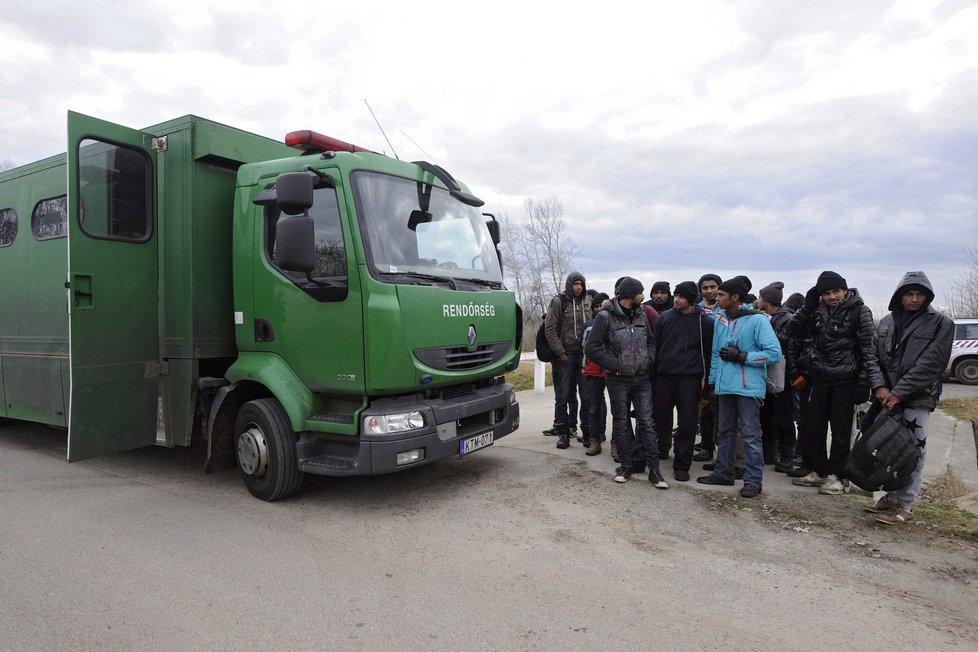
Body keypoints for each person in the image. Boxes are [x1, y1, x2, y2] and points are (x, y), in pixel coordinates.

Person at [864, 272, 953, 524]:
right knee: (889, 449)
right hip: (886, 398)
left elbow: (931, 363)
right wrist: (879, 386)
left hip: (916, 398)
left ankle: (905, 504)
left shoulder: (940, 323)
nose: (914, 299)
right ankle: (891, 497)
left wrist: (899, 392)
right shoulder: (887, 322)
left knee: (914, 451)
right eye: (909, 294)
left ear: (927, 296)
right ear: (900, 296)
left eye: (919, 294)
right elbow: (872, 357)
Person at [787, 271, 883, 495]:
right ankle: (819, 471)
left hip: (846, 380)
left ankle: (838, 476)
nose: (832, 297)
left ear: (845, 290)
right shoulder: (816, 312)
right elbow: (792, 332)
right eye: (827, 293)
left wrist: (864, 382)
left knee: (840, 432)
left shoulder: (859, 310)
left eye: (836, 291)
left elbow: (869, 347)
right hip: (820, 379)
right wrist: (808, 307)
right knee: (814, 428)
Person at [696, 275, 781, 498]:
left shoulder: (758, 320)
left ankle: (753, 481)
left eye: (722, 294)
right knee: (724, 431)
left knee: (750, 434)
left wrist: (744, 357)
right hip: (724, 387)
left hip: (747, 388)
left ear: (735, 297)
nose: (717, 297)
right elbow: (715, 354)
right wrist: (712, 383)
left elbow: (774, 353)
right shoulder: (721, 319)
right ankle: (723, 472)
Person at [586, 277, 668, 488]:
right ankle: (625, 466)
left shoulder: (641, 314)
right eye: (641, 293)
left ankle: (655, 471)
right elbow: (592, 347)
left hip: (642, 379)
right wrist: (615, 364)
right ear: (630, 296)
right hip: (617, 380)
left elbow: (651, 340)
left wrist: (649, 359)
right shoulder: (605, 317)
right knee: (621, 423)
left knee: (647, 423)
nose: (644, 296)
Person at [653, 281, 712, 481]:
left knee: (687, 423)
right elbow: (656, 346)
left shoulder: (705, 322)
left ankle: (682, 464)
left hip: (690, 379)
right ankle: (656, 452)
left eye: (682, 296)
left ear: (691, 299)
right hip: (664, 377)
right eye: (676, 295)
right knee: (659, 419)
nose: (677, 299)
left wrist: (707, 383)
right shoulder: (665, 318)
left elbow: (709, 354)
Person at [544, 272, 592, 449]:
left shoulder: (589, 299)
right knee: (563, 396)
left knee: (586, 396)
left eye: (581, 284)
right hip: (564, 356)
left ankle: (587, 433)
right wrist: (560, 353)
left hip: (584, 356)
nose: (578, 287)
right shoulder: (559, 301)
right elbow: (549, 329)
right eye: (575, 284)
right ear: (569, 285)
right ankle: (563, 433)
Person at [755, 281, 797, 471]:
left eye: (761, 297)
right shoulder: (769, 317)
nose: (758, 300)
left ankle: (787, 456)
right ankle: (769, 453)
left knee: (784, 417)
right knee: (767, 416)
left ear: (768, 300)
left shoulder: (787, 319)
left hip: (783, 376)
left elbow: (782, 344)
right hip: (769, 375)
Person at [694, 273, 723, 462]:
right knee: (705, 407)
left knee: (722, 410)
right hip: (702, 363)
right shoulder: (696, 310)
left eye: (713, 287)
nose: (709, 291)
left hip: (723, 362)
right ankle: (706, 447)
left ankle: (725, 452)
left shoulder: (727, 307)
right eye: (705, 288)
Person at [580, 292, 610, 456]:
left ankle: (616, 442)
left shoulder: (614, 322)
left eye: (602, 306)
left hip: (612, 371)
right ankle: (594, 439)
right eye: (596, 306)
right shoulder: (589, 326)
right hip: (593, 370)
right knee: (593, 406)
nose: (599, 309)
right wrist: (584, 370)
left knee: (619, 408)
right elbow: (585, 350)